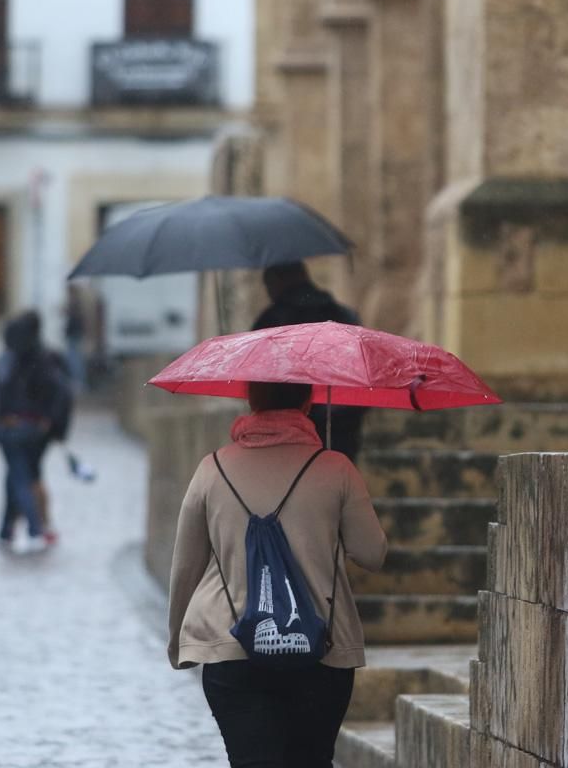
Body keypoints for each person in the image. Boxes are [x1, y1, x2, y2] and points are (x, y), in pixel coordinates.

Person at [167, 381, 387, 767]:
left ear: (251, 401)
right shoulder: (335, 467)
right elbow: (372, 554)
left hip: (229, 644)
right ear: (308, 402)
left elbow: (185, 567)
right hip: (320, 647)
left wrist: (177, 643)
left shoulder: (211, 469)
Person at [252, 262, 367, 463]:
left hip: (288, 433)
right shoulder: (344, 316)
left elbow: (257, 380)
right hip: (342, 426)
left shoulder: (272, 321)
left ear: (277, 282)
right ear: (304, 275)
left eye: (268, 285)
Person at [0, 311, 71, 553]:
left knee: (22, 478)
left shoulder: (15, 360)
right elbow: (61, 393)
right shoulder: (47, 358)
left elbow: (3, 392)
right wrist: (51, 424)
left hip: (17, 428)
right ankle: (7, 530)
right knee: (18, 477)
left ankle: (36, 529)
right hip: (36, 430)